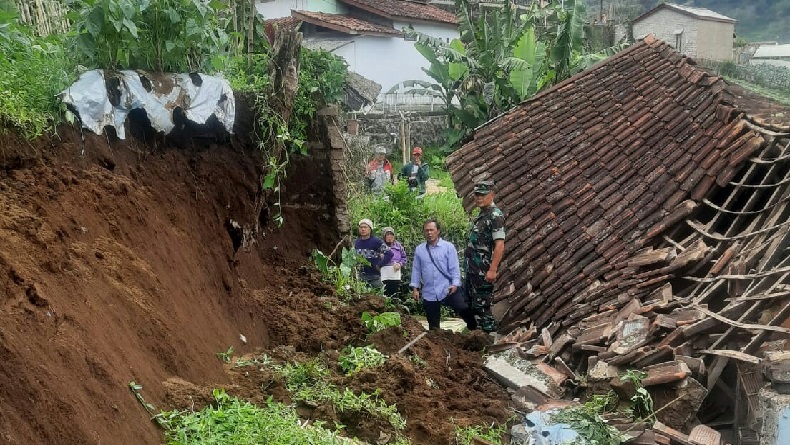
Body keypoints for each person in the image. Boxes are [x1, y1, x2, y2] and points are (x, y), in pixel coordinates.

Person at [410, 219, 476, 331]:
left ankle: (475, 330)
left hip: (447, 288)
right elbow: (416, 269)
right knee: (433, 325)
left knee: (463, 309)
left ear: (438, 231)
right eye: (426, 230)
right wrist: (415, 288)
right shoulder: (420, 249)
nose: (429, 233)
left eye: (432, 230)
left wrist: (455, 284)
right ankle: (437, 345)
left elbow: (454, 267)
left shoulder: (448, 247)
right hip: (429, 291)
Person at [464, 180, 506, 333]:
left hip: (483, 270)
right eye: (476, 195)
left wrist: (493, 269)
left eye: (482, 194)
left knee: (482, 306)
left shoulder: (495, 216)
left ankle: (490, 337)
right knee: (470, 303)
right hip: (473, 269)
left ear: (492, 195)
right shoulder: (483, 214)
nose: (479, 198)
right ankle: (476, 336)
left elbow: (499, 245)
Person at [354, 219, 393, 289]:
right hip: (360, 276)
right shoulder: (357, 242)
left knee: (378, 296)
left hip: (374, 276)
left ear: (370, 229)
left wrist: (379, 265)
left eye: (365, 227)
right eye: (361, 227)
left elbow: (389, 253)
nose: (363, 229)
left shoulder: (376, 241)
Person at [380, 227, 407, 300]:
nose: (389, 237)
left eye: (391, 235)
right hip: (384, 272)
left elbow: (404, 258)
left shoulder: (398, 245)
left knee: (394, 292)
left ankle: (395, 308)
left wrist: (400, 264)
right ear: (384, 236)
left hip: (395, 271)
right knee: (384, 292)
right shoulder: (380, 245)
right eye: (387, 235)